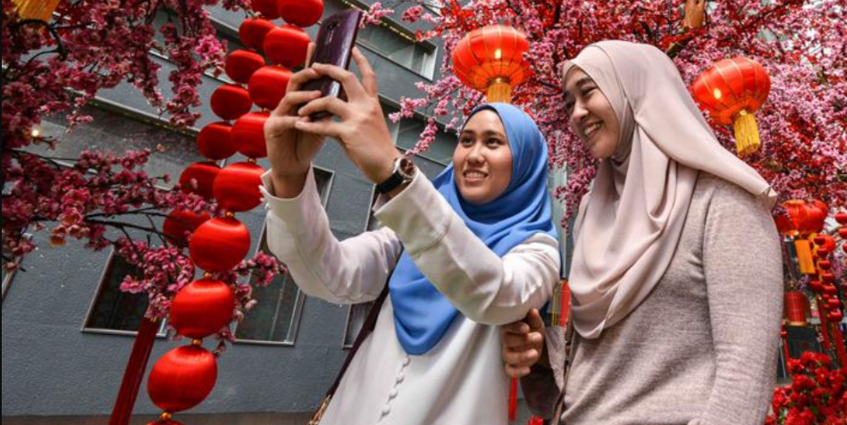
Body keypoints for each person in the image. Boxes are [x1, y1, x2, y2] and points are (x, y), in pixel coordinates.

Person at [262, 47, 560, 425]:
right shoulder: (406, 233)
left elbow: (496, 294)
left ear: (526, 165)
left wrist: (393, 172)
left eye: (494, 143)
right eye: (466, 140)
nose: (473, 155)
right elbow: (330, 273)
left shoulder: (536, 249)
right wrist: (290, 178)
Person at [501, 40, 783, 425]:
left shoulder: (724, 203)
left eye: (588, 93)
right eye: (569, 104)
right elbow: (587, 371)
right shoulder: (591, 212)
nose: (577, 114)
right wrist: (537, 358)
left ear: (635, 89)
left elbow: (744, 378)